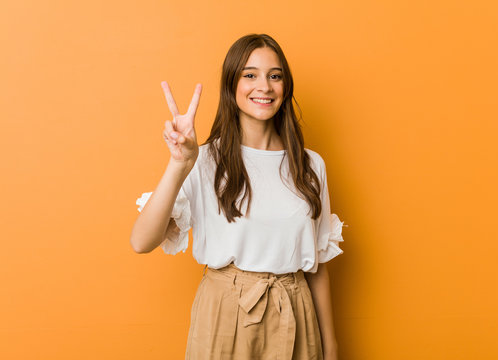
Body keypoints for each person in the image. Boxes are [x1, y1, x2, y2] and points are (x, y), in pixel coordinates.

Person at [130, 33, 345, 360]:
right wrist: (179, 163)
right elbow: (141, 241)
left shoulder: (311, 165)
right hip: (225, 315)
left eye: (275, 76)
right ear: (231, 85)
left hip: (296, 314)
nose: (265, 86)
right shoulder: (203, 161)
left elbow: (317, 266)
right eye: (250, 75)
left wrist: (330, 348)